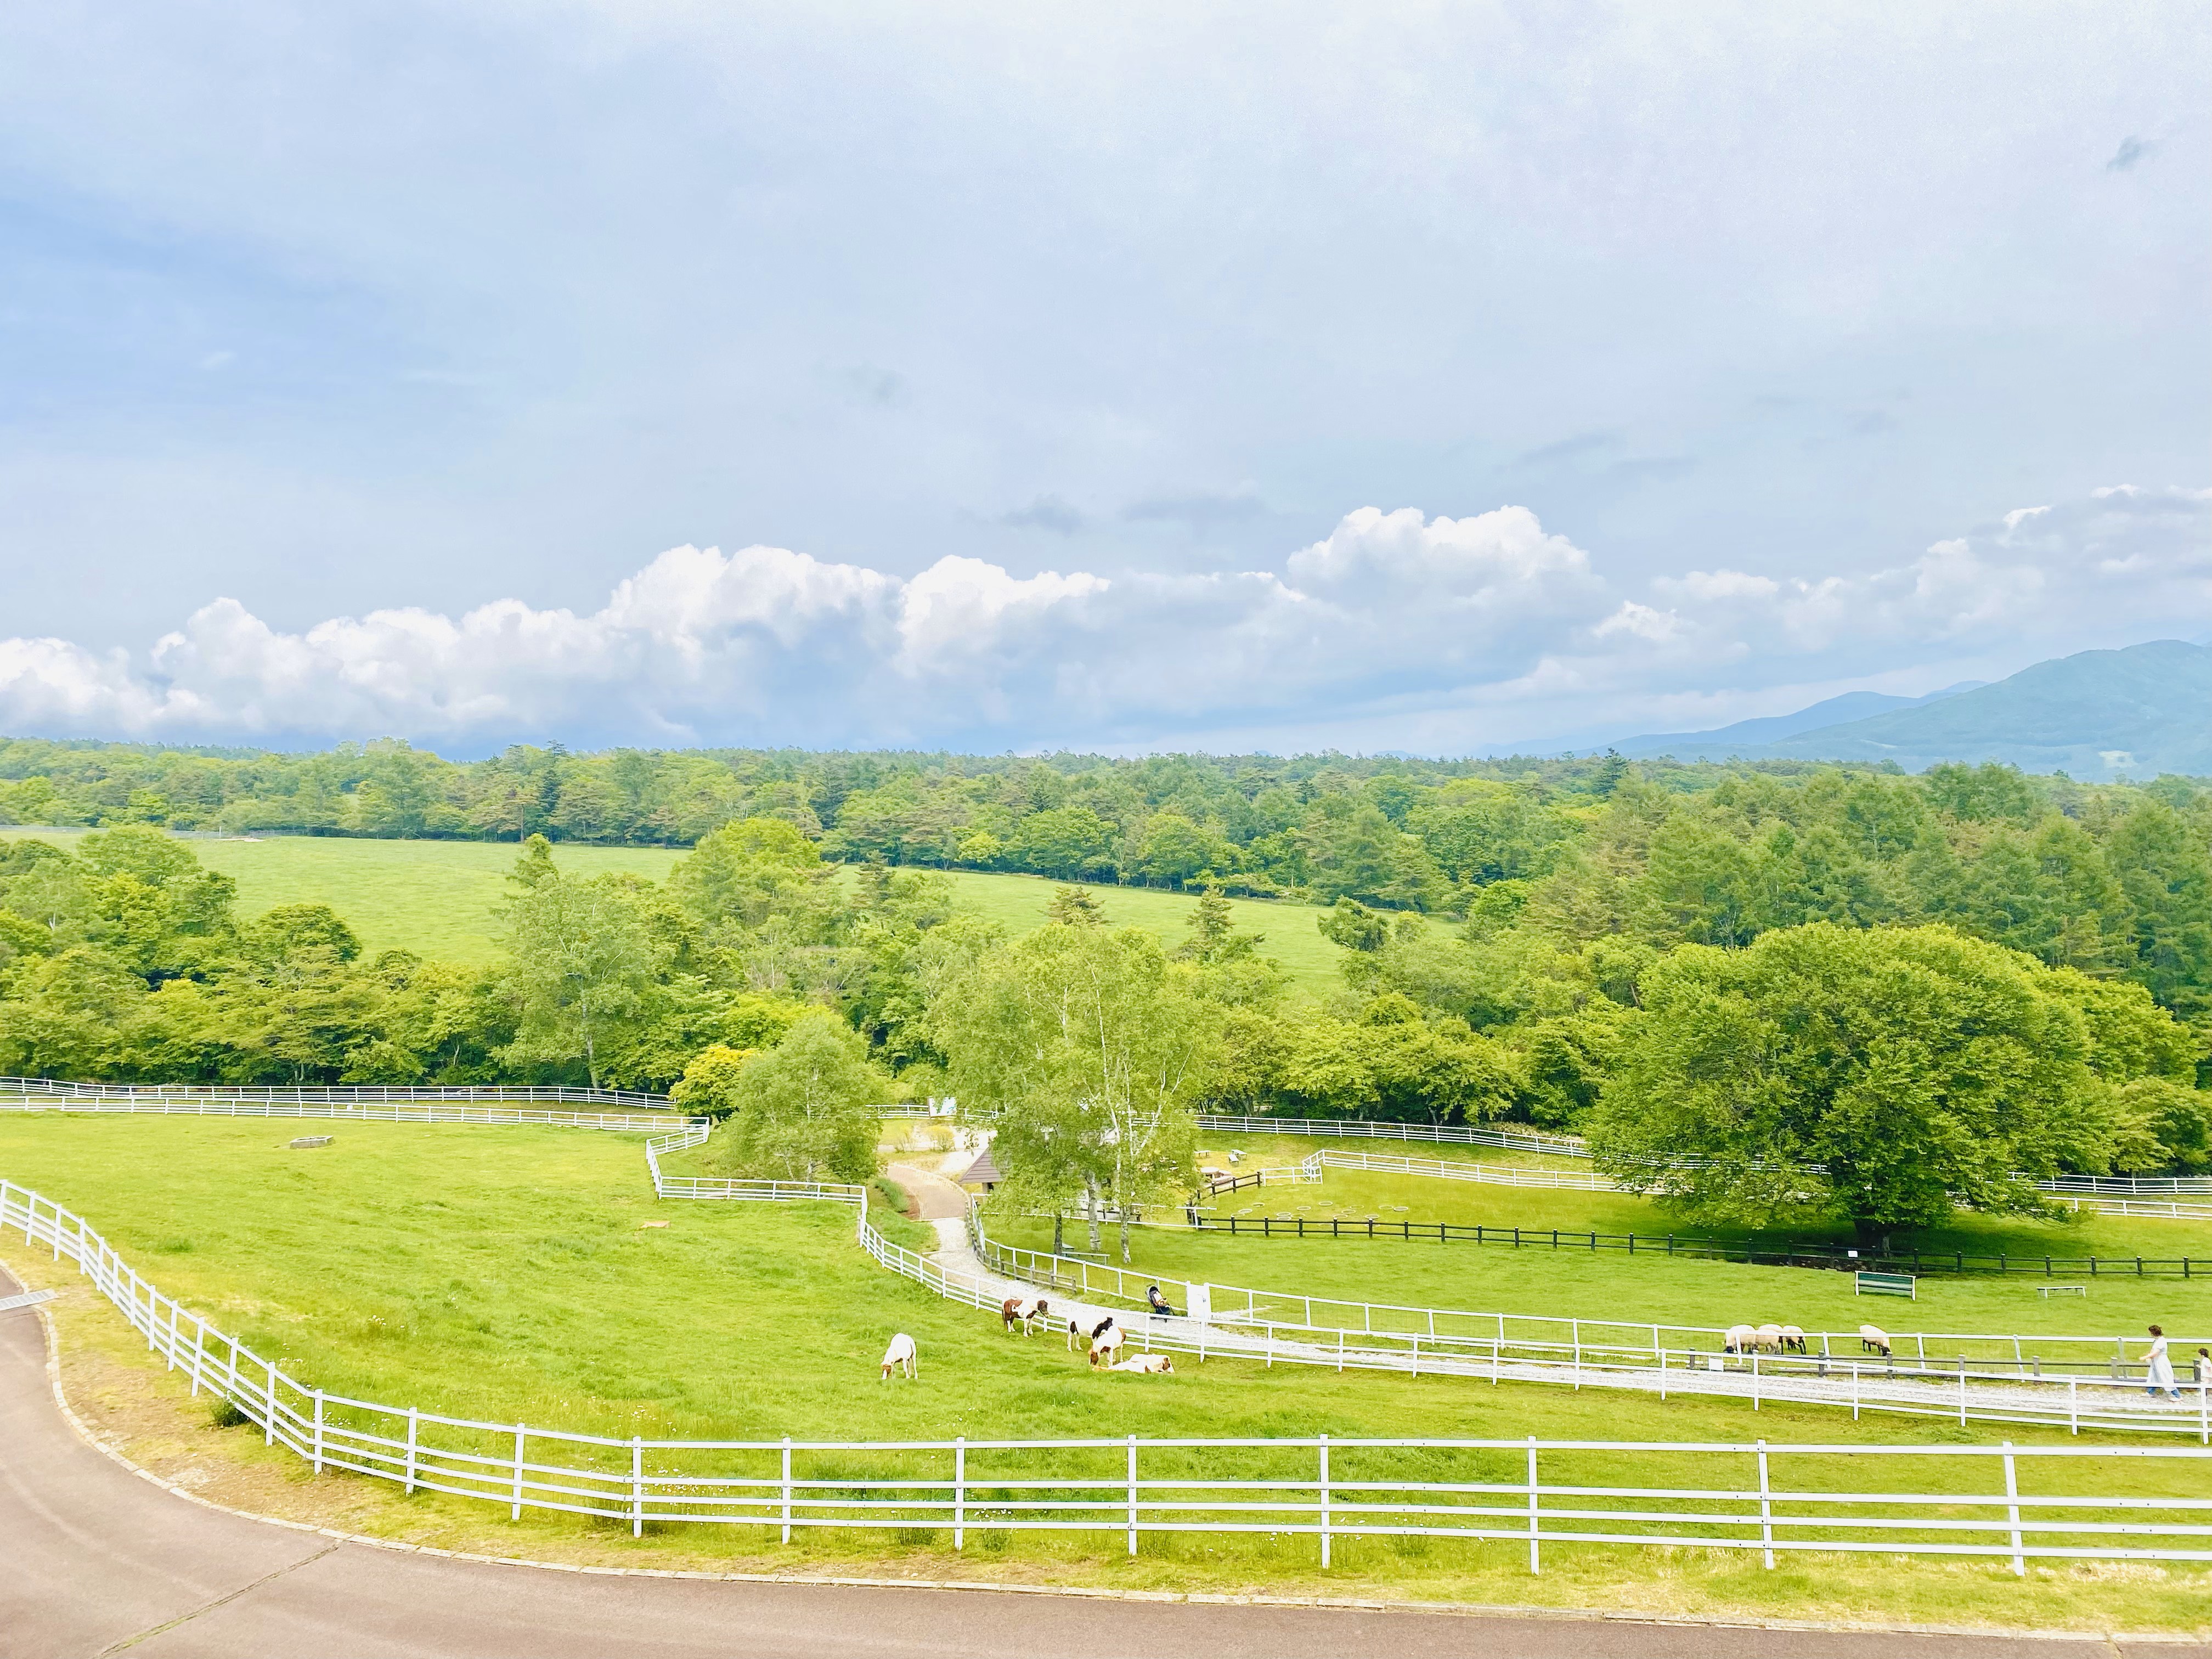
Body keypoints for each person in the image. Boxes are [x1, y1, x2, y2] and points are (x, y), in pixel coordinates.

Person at [2143, 1325, 2177, 1400]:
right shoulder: (2158, 1340)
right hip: (2156, 1362)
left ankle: (2175, 1395)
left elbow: (2156, 1353)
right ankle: (2150, 1392)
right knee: (2154, 1376)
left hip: (2161, 1362)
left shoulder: (2161, 1341)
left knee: (2166, 1377)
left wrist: (2145, 1357)